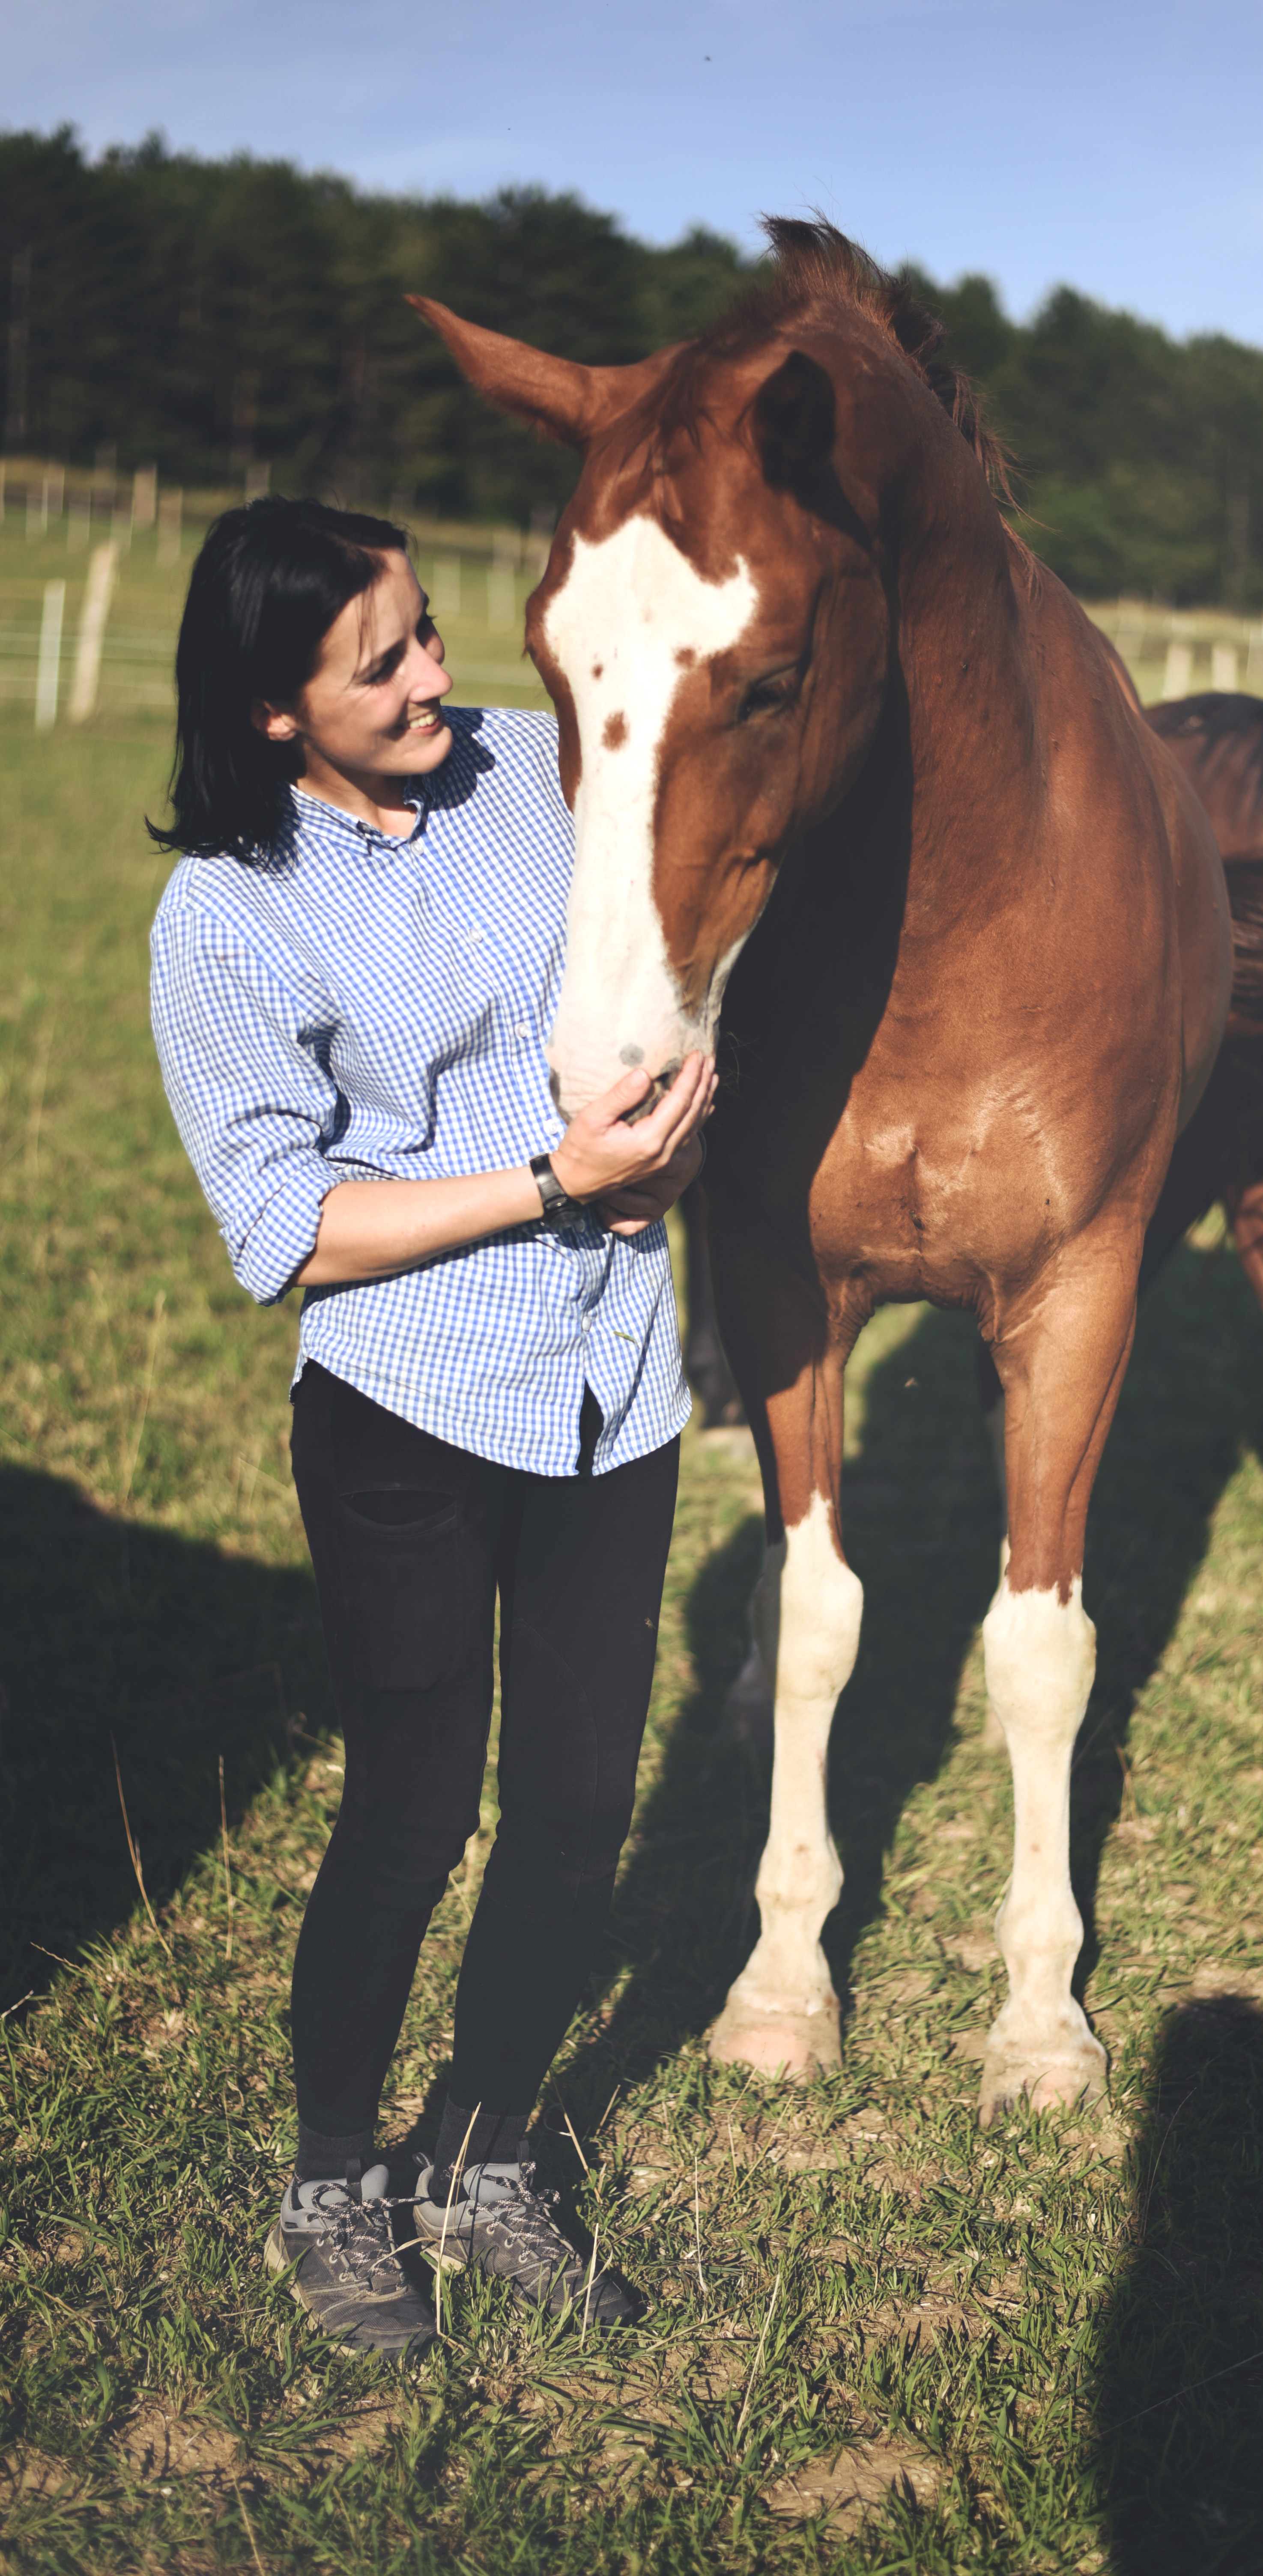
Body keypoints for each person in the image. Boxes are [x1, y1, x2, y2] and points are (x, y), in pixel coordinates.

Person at [149, 495, 713, 2362]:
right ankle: (333, 2180)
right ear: (272, 711)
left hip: (613, 1385)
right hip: (411, 1404)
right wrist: (553, 1181)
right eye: (379, 661)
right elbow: (287, 1229)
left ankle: (483, 2155)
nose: (434, 677)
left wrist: (679, 1115)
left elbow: (678, 952)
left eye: (426, 631)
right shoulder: (226, 913)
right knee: (409, 1813)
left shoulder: (543, 772)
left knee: (576, 1809)